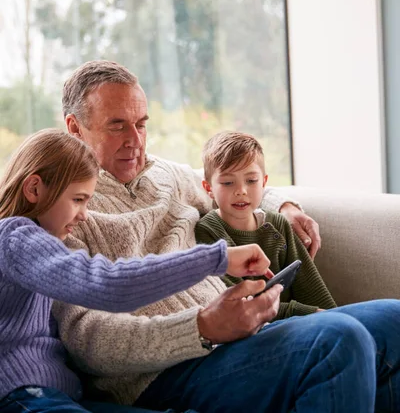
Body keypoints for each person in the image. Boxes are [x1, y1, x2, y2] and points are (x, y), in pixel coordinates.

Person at [53, 60, 400, 413]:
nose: (135, 141)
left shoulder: (165, 174)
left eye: (142, 125)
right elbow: (87, 339)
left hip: (240, 340)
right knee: (339, 340)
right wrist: (201, 328)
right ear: (75, 128)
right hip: (165, 375)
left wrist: (286, 206)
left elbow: (233, 185)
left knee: (395, 319)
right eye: (117, 126)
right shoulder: (63, 207)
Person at [0, 128, 273, 413]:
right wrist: (215, 259)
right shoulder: (15, 238)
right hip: (24, 396)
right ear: (34, 189)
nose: (83, 215)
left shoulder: (40, 244)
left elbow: (224, 175)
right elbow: (107, 285)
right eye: (78, 200)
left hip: (64, 395)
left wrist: (283, 204)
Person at [195, 130, 336, 318]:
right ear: (208, 188)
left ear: (264, 182)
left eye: (251, 180)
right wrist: (308, 312)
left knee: (387, 312)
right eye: (228, 182)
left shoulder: (278, 224)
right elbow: (241, 305)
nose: (241, 191)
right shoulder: (208, 231)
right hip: (264, 330)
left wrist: (337, 316)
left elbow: (310, 286)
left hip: (304, 321)